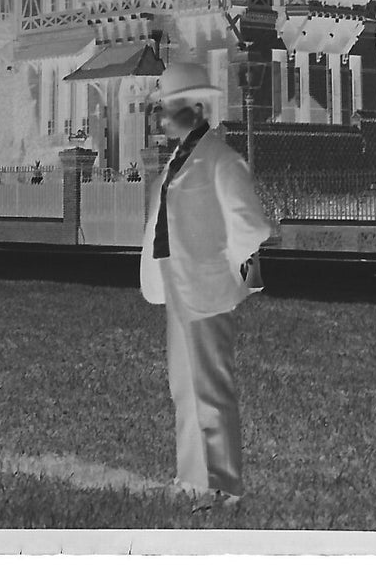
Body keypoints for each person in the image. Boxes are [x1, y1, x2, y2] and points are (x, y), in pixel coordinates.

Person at [139, 61, 273, 511]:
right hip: (177, 284)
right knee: (185, 387)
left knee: (212, 388)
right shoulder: (178, 160)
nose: (161, 117)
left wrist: (236, 279)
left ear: (195, 109)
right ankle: (193, 477)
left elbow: (250, 227)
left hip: (208, 287)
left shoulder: (221, 159)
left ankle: (224, 484)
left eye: (169, 108)